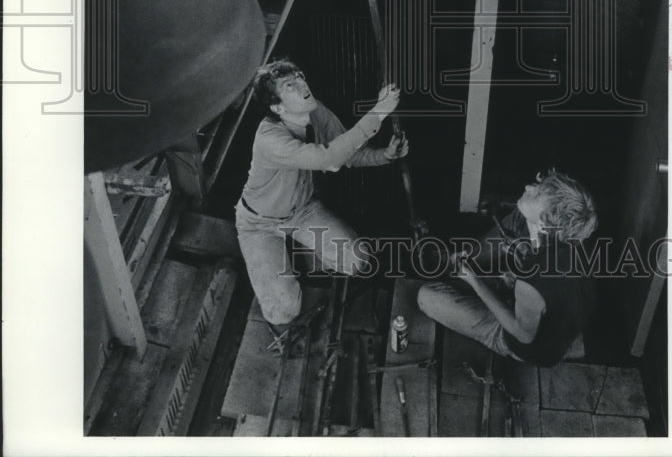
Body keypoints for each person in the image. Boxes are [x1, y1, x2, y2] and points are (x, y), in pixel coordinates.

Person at [235, 59, 406, 328]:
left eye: (300, 77)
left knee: (360, 263)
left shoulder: (314, 111)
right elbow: (331, 159)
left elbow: (348, 153)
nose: (303, 84)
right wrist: (379, 112)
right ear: (277, 107)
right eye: (290, 85)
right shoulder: (270, 140)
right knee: (282, 313)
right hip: (260, 224)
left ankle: (299, 252)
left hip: (303, 210)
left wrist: (383, 156)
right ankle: (279, 259)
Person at [417, 169, 598, 366]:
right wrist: (521, 257)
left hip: (524, 344)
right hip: (555, 316)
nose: (528, 187)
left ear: (545, 224)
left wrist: (474, 281)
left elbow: (523, 335)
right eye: (537, 186)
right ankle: (467, 265)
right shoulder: (574, 239)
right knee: (519, 219)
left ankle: (457, 268)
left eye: (535, 193)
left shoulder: (531, 283)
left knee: (427, 296)